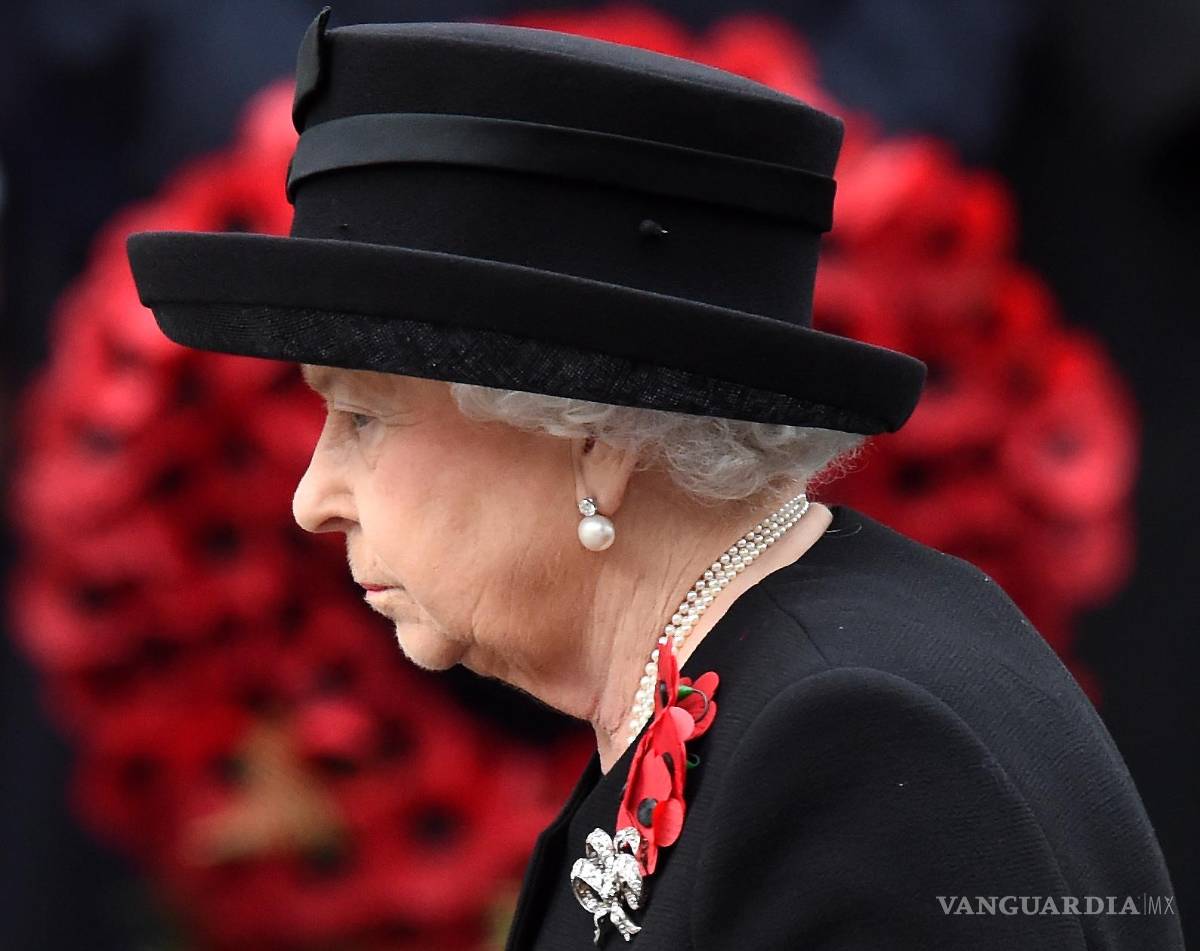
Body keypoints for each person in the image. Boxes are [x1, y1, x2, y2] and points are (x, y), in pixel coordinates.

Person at [125, 9, 1184, 949]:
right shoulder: (734, 674)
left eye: (362, 416)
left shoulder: (846, 746)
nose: (313, 497)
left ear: (596, 437)